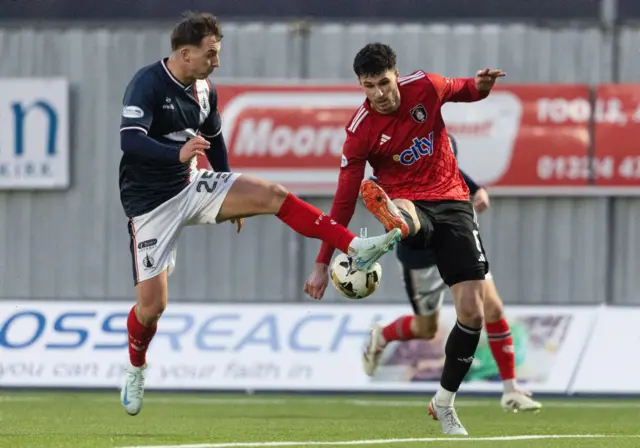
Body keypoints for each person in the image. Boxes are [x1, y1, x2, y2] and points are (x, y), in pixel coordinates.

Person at [118, 13, 401, 417]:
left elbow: (213, 140)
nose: (217, 62)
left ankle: (356, 245)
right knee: (151, 309)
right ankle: (136, 367)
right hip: (150, 206)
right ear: (185, 53)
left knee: (271, 194)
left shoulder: (204, 90)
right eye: (211, 54)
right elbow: (130, 141)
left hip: (191, 185)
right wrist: (175, 153)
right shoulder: (146, 84)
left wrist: (227, 188)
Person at [304, 42, 504, 436]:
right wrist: (322, 261)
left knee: (472, 313)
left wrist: (482, 86)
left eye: (383, 82)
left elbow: (466, 89)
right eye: (368, 86)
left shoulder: (426, 87)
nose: (378, 93)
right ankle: (395, 220)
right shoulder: (359, 131)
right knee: (405, 212)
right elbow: (343, 200)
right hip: (409, 200)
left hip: (453, 201)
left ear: (396, 74)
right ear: (360, 85)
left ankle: (443, 402)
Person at [364, 135, 542, 413]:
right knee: (426, 329)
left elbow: (467, 182)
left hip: (458, 248)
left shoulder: (445, 157)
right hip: (421, 259)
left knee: (492, 309)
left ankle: (510, 390)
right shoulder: (397, 167)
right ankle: (383, 336)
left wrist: (480, 191)